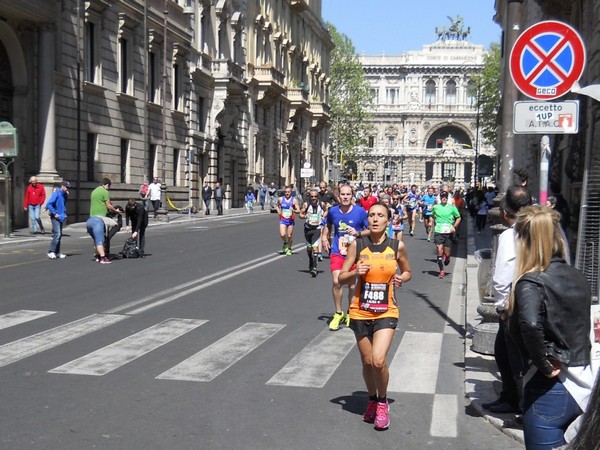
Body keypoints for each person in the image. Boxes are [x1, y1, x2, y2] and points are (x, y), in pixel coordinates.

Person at [507, 205, 594, 449]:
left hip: (550, 389)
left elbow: (530, 324)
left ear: (524, 241)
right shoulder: (577, 275)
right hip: (584, 381)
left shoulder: (530, 282)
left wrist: (544, 364)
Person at [338, 202, 412, 430]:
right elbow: (340, 278)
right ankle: (371, 400)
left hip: (386, 310)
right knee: (368, 361)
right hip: (360, 310)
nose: (375, 219)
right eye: (372, 215)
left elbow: (408, 270)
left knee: (379, 360)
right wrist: (354, 272)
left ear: (388, 221)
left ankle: (382, 402)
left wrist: (402, 278)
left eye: (381, 216)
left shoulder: (396, 246)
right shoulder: (357, 245)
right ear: (367, 219)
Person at [482, 185, 532, 415]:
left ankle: (520, 405)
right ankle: (511, 397)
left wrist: (502, 306)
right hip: (540, 300)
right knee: (508, 353)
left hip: (516, 305)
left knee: (514, 358)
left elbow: (502, 277)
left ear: (504, 212)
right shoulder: (548, 230)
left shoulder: (509, 236)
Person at [321, 184, 370, 331]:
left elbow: (370, 230)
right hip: (338, 251)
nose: (345, 197)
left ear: (352, 196)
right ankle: (338, 313)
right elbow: (328, 225)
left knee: (352, 285)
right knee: (337, 281)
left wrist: (358, 233)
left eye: (348, 194)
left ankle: (350, 312)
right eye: (343, 194)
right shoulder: (333, 211)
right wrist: (324, 237)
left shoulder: (360, 212)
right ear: (339, 196)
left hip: (355, 253)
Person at [431, 190, 461, 278]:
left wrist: (454, 227)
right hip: (438, 231)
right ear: (440, 198)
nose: (444, 198)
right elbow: (433, 215)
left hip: (448, 232)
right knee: (439, 250)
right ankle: (441, 271)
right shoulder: (435, 207)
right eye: (442, 197)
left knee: (447, 253)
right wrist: (431, 222)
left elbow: (458, 218)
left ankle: (447, 257)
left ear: (447, 198)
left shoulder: (451, 208)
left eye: (445, 197)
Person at [299, 188, 327, 277]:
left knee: (315, 248)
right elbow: (300, 214)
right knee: (309, 248)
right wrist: (304, 216)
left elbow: (326, 211)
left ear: (317, 196)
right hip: (308, 229)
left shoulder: (321, 204)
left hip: (317, 229)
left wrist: (323, 216)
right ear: (309, 197)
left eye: (315, 196)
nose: (313, 198)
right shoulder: (306, 204)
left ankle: (314, 268)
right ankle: (311, 260)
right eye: (312, 196)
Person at [46, 180, 69, 259]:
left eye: (68, 187)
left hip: (61, 216)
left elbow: (63, 205)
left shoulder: (65, 195)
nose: (67, 189)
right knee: (57, 234)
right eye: (66, 187)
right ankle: (51, 251)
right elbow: (49, 204)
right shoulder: (57, 193)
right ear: (62, 186)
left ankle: (57, 252)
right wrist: (54, 213)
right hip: (55, 217)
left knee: (59, 234)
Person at [275, 185, 300, 255]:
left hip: (290, 220)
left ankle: (289, 248)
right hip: (283, 219)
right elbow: (276, 205)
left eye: (288, 192)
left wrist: (294, 210)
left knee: (289, 235)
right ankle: (285, 243)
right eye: (286, 192)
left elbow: (298, 211)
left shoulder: (294, 200)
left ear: (291, 192)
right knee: (282, 234)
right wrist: (278, 210)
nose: (287, 193)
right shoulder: (280, 199)